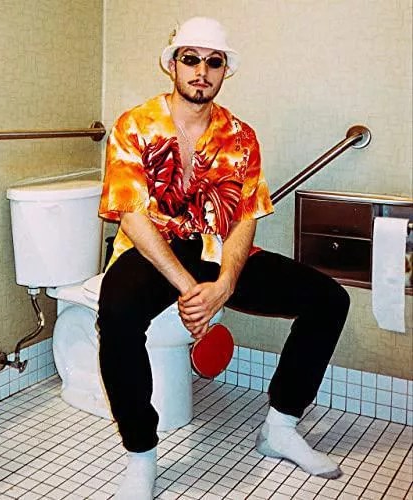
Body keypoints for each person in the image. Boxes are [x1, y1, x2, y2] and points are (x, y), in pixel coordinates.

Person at [97, 17, 350, 500]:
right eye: (191, 58)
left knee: (329, 300)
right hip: (154, 249)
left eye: (213, 62)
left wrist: (226, 284)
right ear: (173, 64)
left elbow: (244, 218)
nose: (201, 70)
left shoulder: (240, 136)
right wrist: (191, 290)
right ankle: (141, 454)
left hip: (217, 248)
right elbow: (131, 214)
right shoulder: (135, 125)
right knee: (118, 313)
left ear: (224, 70)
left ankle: (280, 427)